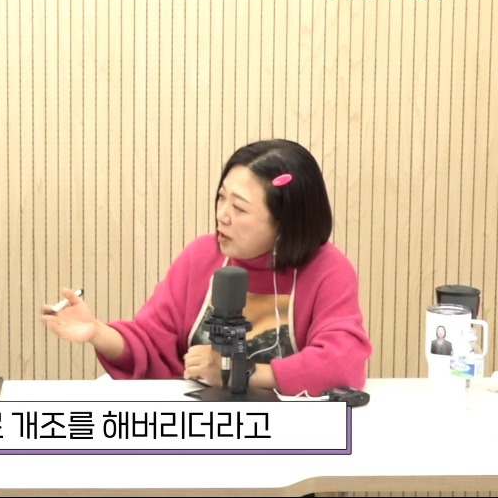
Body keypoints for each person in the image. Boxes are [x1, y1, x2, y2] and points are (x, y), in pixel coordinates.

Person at [41, 139, 372, 397]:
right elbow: (152, 343)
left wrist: (238, 373)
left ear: (285, 221)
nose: (221, 215)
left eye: (239, 208)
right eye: (221, 198)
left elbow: (343, 363)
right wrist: (97, 332)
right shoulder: (201, 256)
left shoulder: (327, 269)